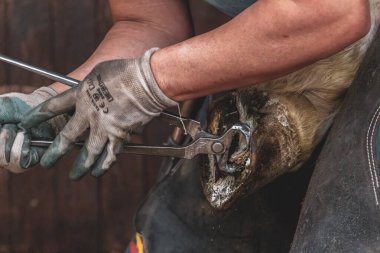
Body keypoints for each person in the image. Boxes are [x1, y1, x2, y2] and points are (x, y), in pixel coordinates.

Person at [0, 0, 372, 252]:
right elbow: (147, 21)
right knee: (183, 237)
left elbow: (332, 10)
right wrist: (55, 104)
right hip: (280, 51)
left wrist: (148, 81)